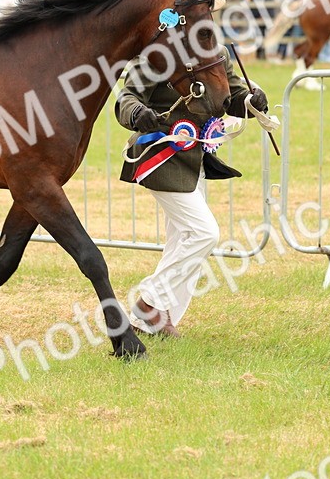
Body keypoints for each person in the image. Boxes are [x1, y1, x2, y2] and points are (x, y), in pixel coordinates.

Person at [113, 45, 268, 337]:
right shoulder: (154, 56)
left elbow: (231, 97)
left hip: (194, 156)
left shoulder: (217, 52)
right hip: (161, 155)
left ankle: (155, 322)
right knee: (204, 233)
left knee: (183, 239)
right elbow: (127, 98)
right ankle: (150, 303)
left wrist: (252, 99)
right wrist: (137, 113)